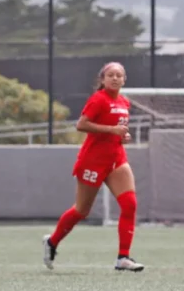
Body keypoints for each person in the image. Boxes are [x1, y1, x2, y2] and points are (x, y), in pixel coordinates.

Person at [42, 62, 144, 272]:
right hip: (93, 161)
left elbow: (118, 131)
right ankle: (52, 242)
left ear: (124, 80)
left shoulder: (124, 102)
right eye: (110, 75)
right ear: (103, 79)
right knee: (82, 210)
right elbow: (81, 124)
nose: (115, 78)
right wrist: (111, 130)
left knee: (130, 204)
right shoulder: (99, 99)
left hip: (116, 160)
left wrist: (123, 136)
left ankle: (123, 258)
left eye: (119, 75)